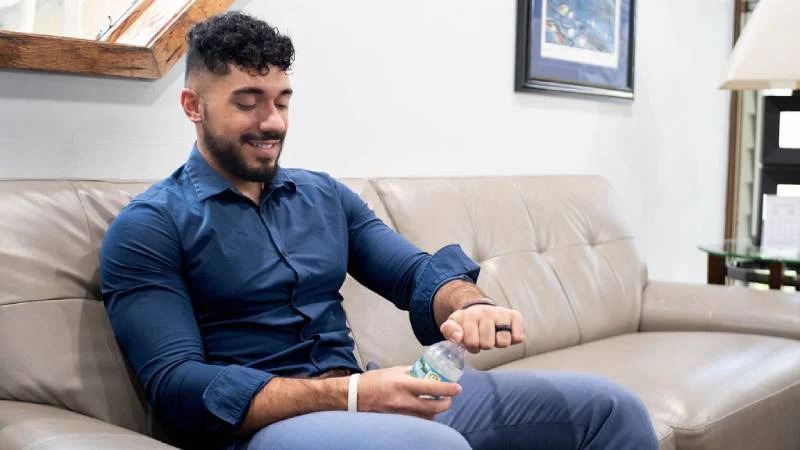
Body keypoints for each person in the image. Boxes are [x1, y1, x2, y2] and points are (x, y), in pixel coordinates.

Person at [100, 11, 659, 450]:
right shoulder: (150, 226)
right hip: (264, 430)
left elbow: (416, 274)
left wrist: (466, 304)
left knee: (611, 410)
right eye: (247, 103)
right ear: (193, 105)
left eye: (282, 102)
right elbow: (176, 388)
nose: (272, 122)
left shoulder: (323, 195)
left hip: (368, 395)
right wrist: (350, 395)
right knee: (430, 445)